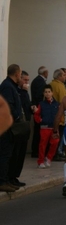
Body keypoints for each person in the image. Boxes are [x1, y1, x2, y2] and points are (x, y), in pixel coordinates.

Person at [8, 71, 34, 187]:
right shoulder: (15, 90)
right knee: (15, 152)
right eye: (25, 80)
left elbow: (26, 104)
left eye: (28, 80)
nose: (26, 82)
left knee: (21, 152)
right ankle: (10, 176)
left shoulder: (24, 93)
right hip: (16, 125)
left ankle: (15, 176)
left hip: (25, 123)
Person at [0, 64, 22, 192]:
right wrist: (17, 117)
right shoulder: (8, 87)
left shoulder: (12, 86)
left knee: (10, 154)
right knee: (4, 154)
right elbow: (8, 105)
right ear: (17, 74)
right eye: (20, 74)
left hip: (11, 126)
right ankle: (2, 181)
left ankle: (8, 179)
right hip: (7, 126)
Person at [34, 84, 60, 168]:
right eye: (46, 92)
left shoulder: (57, 104)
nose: (47, 94)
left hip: (54, 127)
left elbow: (60, 115)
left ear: (52, 93)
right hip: (44, 127)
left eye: (49, 92)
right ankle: (40, 161)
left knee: (55, 143)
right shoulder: (41, 104)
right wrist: (40, 120)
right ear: (44, 94)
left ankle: (49, 158)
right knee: (42, 145)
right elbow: (37, 115)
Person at [30, 66, 48, 158]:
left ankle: (35, 151)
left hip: (36, 107)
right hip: (38, 109)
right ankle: (36, 151)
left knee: (37, 130)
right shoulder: (40, 81)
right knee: (38, 131)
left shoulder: (36, 80)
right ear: (44, 73)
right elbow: (38, 96)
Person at [50, 68, 66, 161]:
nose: (65, 77)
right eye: (64, 75)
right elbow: (63, 101)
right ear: (59, 76)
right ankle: (56, 153)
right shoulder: (60, 86)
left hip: (50, 114)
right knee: (58, 135)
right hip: (59, 116)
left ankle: (52, 153)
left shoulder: (50, 84)